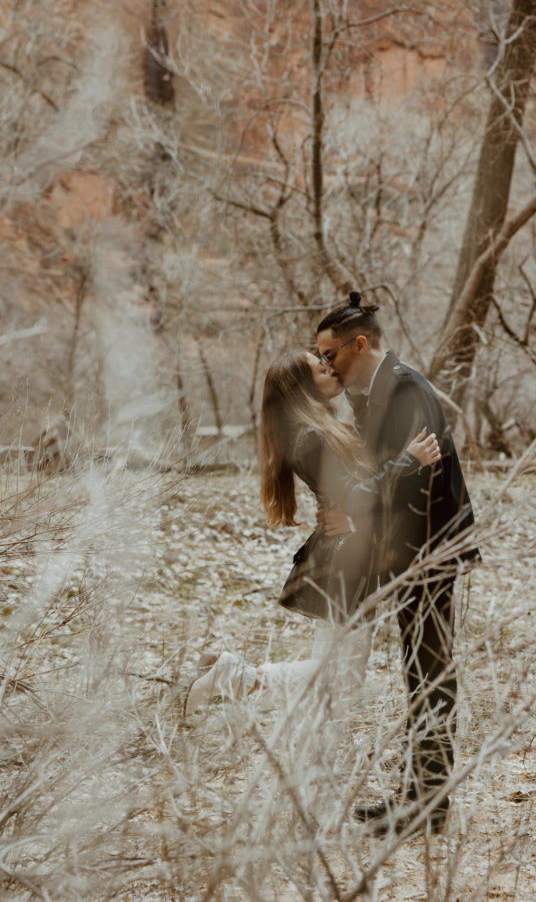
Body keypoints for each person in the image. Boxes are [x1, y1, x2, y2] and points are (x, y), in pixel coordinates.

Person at [184, 349, 441, 717]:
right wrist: (410, 461)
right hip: (345, 561)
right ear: (304, 386)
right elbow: (357, 495)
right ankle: (235, 676)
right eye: (322, 368)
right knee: (341, 680)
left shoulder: (318, 430)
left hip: (346, 553)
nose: (331, 369)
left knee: (339, 677)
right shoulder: (311, 438)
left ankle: (242, 683)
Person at [315, 292, 481, 837]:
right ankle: (417, 800)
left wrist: (361, 515)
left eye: (330, 354)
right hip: (407, 554)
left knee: (431, 673)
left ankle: (426, 809)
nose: (325, 366)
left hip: (431, 552)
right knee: (419, 672)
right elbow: (386, 468)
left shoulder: (405, 388)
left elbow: (418, 480)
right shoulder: (371, 393)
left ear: (360, 344)